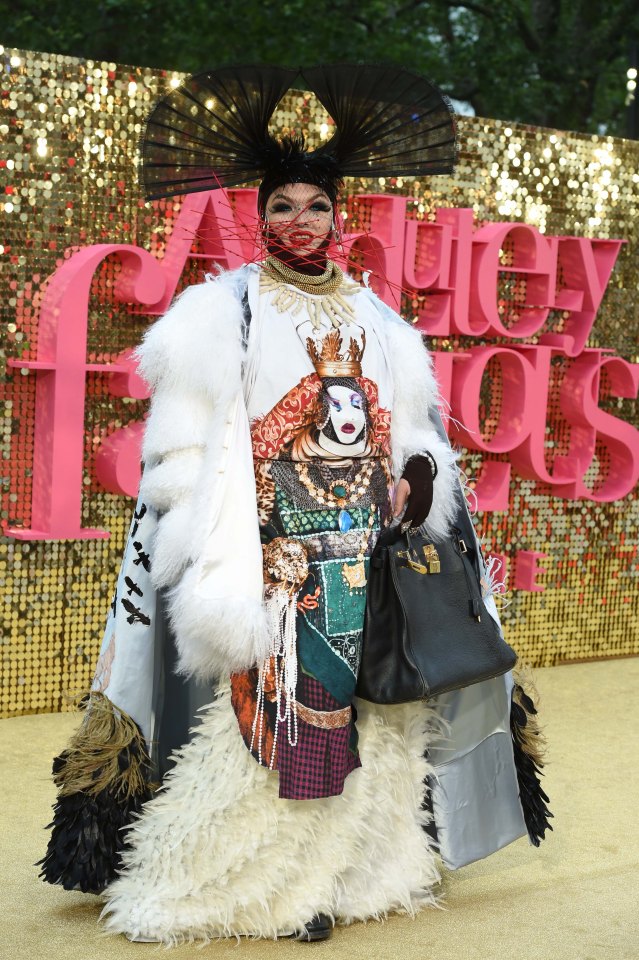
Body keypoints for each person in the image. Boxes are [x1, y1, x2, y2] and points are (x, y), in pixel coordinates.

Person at [40, 65, 551, 944]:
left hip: (372, 551)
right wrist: (216, 551)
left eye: (316, 206)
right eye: (282, 206)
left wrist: (415, 486)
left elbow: (416, 438)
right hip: (274, 555)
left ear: (338, 218)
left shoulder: (381, 323)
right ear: (259, 215)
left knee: (379, 724)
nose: (299, 221)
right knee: (282, 726)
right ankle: (244, 890)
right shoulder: (219, 314)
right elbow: (181, 455)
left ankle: (356, 877)